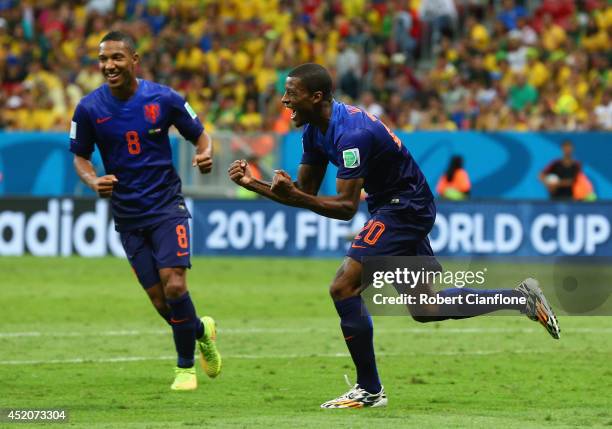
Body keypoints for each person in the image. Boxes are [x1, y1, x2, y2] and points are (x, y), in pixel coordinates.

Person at [228, 63, 560, 409]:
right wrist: (256, 185)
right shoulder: (314, 131)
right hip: (396, 206)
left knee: (343, 286)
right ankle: (520, 297)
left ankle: (369, 389)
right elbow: (303, 192)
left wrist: (292, 194)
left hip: (404, 208)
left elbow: (343, 207)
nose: (284, 100)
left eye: (291, 94)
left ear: (316, 96)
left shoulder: (351, 134)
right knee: (426, 307)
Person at [69, 31, 221, 391]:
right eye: (103, 59)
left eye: (117, 58)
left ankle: (185, 369)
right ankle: (201, 331)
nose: (109, 65)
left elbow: (200, 134)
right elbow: (80, 156)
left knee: (174, 284)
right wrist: (92, 181)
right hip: (128, 215)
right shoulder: (89, 108)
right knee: (161, 301)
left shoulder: (164, 99)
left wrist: (204, 152)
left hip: (167, 205)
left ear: (134, 60)